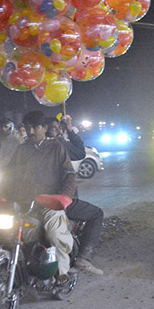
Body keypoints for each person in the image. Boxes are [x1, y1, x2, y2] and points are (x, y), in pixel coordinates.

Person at [2, 110, 77, 284]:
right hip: (26, 204)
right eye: (28, 128)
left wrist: (64, 197)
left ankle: (62, 272)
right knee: (15, 234)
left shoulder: (56, 148)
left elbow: (69, 175)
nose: (31, 132)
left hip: (51, 204)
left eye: (35, 127)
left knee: (53, 232)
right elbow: (9, 173)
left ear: (44, 128)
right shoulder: (21, 150)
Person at [46, 116, 104, 275]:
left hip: (36, 200)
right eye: (54, 128)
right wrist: (70, 131)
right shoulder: (58, 145)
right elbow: (79, 152)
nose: (58, 131)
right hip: (59, 200)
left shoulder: (28, 147)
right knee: (96, 214)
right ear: (43, 129)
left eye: (59, 128)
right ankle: (84, 258)